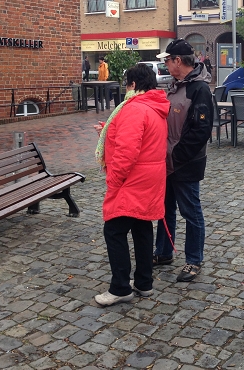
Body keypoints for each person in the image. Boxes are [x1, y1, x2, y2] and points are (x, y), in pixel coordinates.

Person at [93, 64, 170, 306]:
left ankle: (120, 287)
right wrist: (108, 132)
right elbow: (139, 140)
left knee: (114, 230)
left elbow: (127, 151)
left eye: (126, 84)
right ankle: (144, 283)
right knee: (141, 226)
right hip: (150, 178)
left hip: (133, 180)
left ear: (133, 85)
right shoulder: (154, 107)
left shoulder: (134, 108)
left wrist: (114, 180)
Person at [153, 38, 213, 282]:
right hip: (167, 161)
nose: (166, 64)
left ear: (178, 61)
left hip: (185, 163)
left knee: (191, 212)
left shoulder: (199, 90)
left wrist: (176, 157)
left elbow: (200, 132)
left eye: (167, 60)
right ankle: (163, 252)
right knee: (164, 209)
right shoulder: (176, 86)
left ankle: (194, 260)